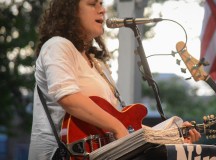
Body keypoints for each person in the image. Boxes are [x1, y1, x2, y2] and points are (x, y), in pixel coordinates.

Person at [28, 0, 201, 159]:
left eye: (101, 4)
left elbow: (120, 121)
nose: (102, 10)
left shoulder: (98, 63)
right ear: (70, 10)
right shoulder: (58, 45)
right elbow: (69, 98)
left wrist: (171, 135)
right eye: (92, 4)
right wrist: (117, 127)